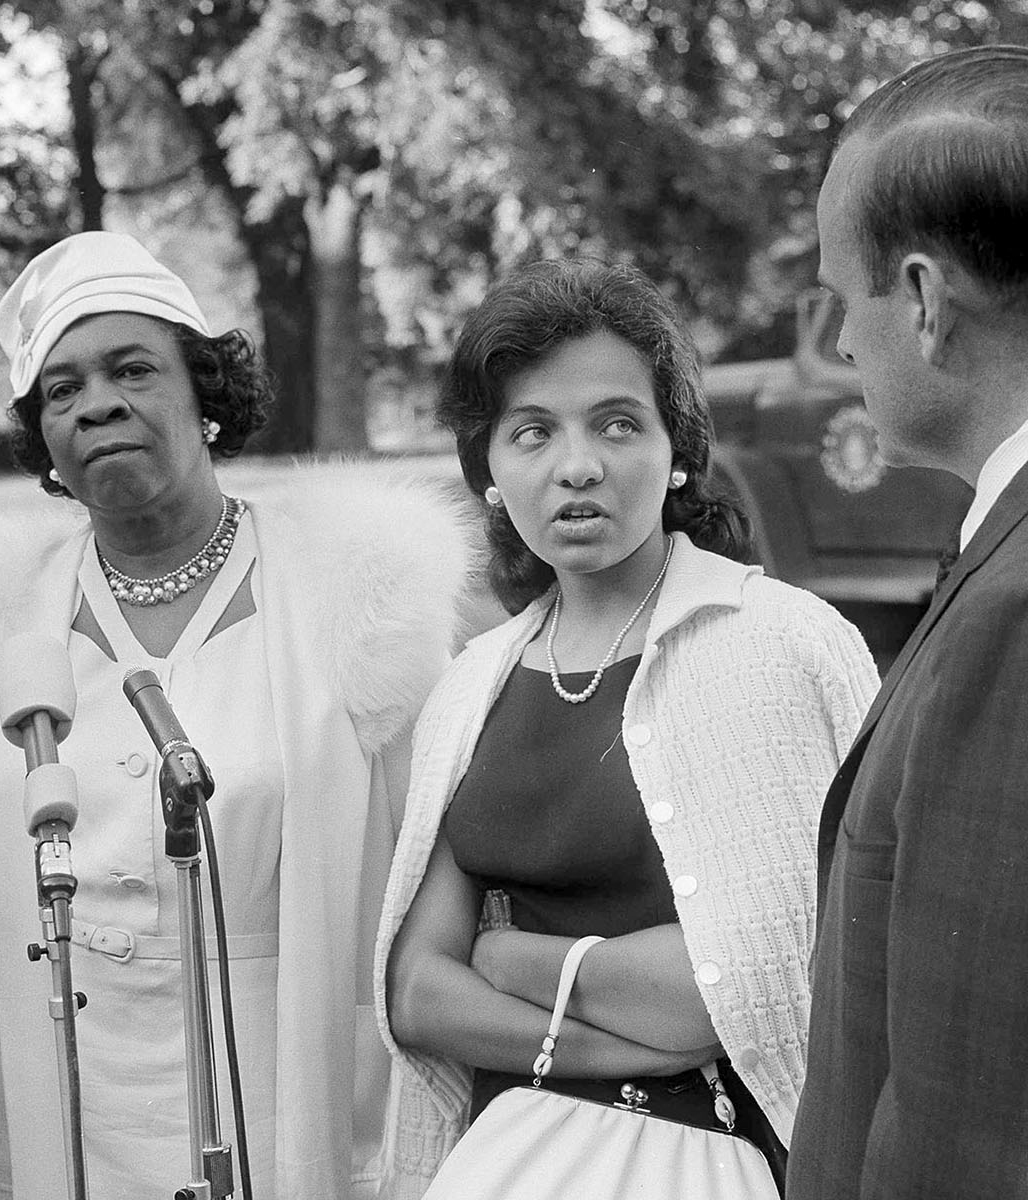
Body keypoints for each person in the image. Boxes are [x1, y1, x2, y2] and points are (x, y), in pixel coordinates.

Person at [0, 229, 477, 1199]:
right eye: (62, 389)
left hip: (294, 1093)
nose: (99, 404)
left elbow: (438, 866)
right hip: (57, 1098)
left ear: (207, 394)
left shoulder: (356, 599)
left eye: (132, 369)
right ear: (42, 434)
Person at [374, 259, 879, 1196]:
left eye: (617, 422)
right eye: (533, 432)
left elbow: (733, 991)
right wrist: (626, 1043)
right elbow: (416, 993)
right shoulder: (473, 687)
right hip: (503, 1161)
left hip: (703, 1160)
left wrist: (505, 956)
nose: (578, 465)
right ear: (489, 468)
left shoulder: (775, 643)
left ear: (678, 448)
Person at [791, 46, 1028, 1200]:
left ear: (928, 302)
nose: (842, 343)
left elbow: (970, 1122)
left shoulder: (1016, 614)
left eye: (848, 298)